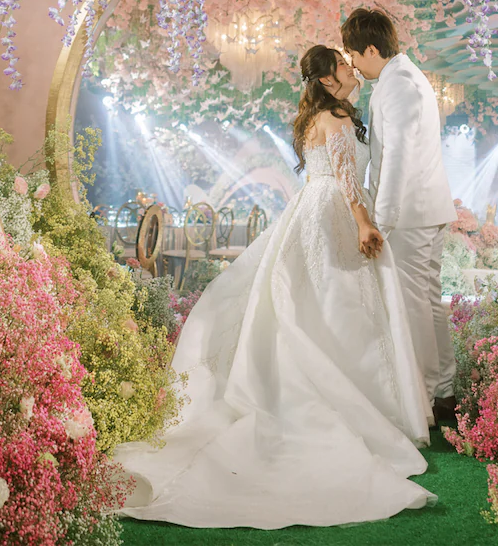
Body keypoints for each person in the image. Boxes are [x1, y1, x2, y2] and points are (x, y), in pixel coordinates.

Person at [112, 45, 434, 529]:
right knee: (339, 307)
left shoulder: (318, 117)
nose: (352, 68)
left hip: (309, 211)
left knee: (310, 305)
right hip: (336, 216)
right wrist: (365, 223)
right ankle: (350, 403)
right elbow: (349, 180)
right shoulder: (339, 120)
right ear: (327, 81)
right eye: (344, 65)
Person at [340, 7, 459, 427]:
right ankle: (444, 392)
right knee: (427, 302)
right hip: (420, 210)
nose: (352, 62)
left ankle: (426, 398)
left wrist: (381, 223)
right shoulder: (398, 79)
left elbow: (397, 162)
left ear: (371, 48)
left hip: (410, 215)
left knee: (415, 308)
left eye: (354, 54)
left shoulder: (401, 86)